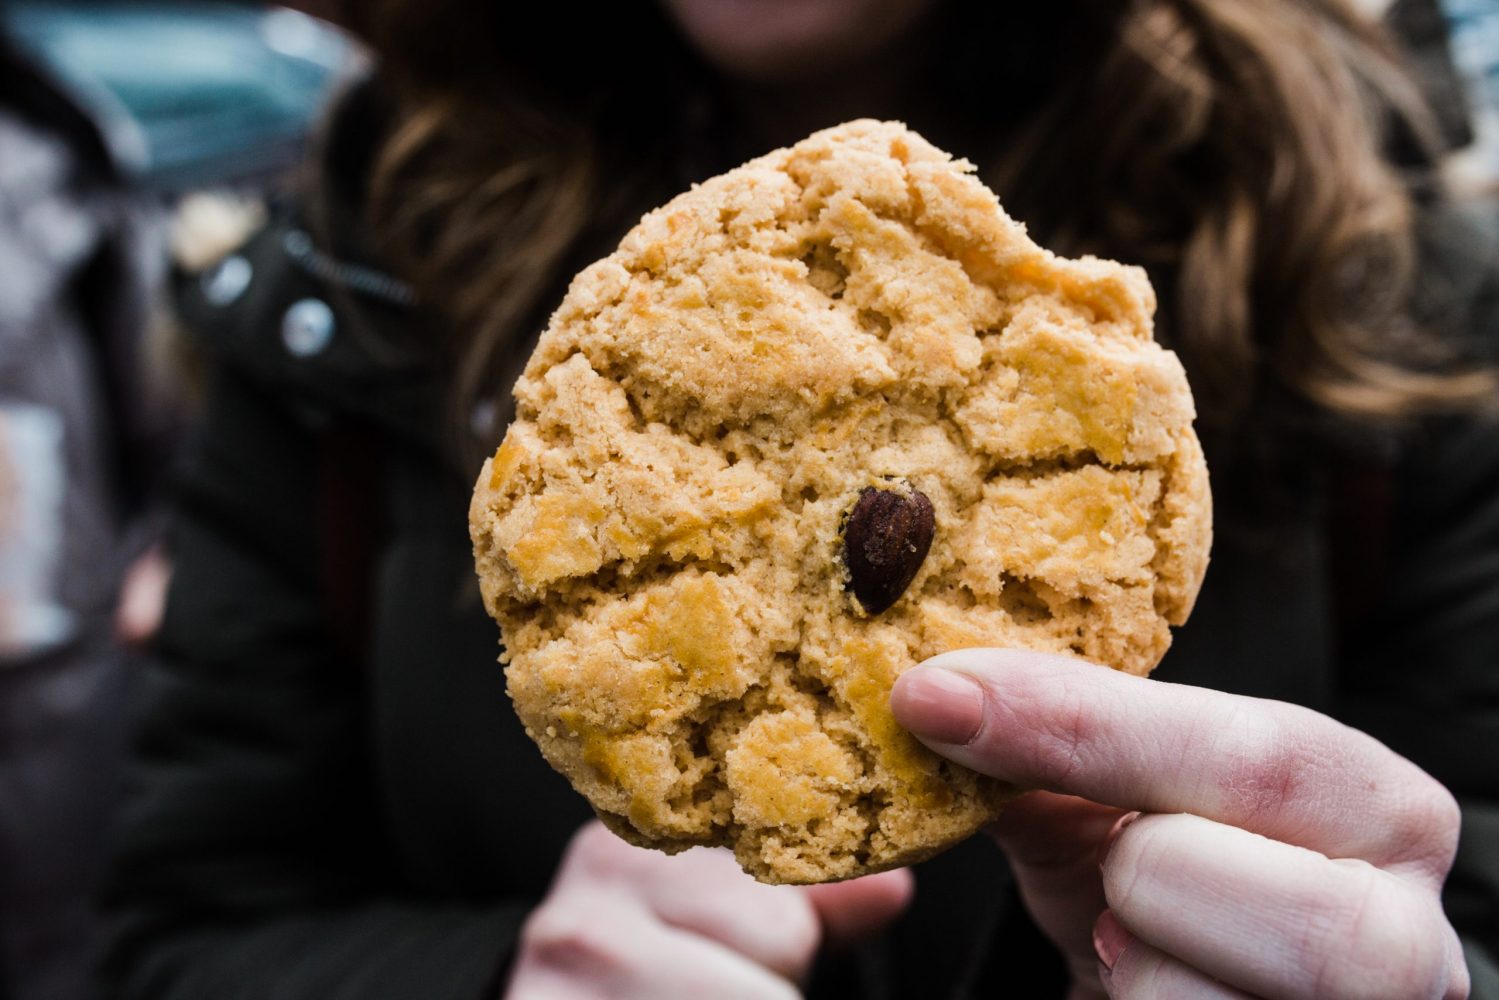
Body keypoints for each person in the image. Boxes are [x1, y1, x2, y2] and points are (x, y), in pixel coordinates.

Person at [103, 1, 1499, 997]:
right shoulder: (349, 273)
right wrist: (490, 979)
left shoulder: (1402, 296)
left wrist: (1411, 972)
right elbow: (173, 936)